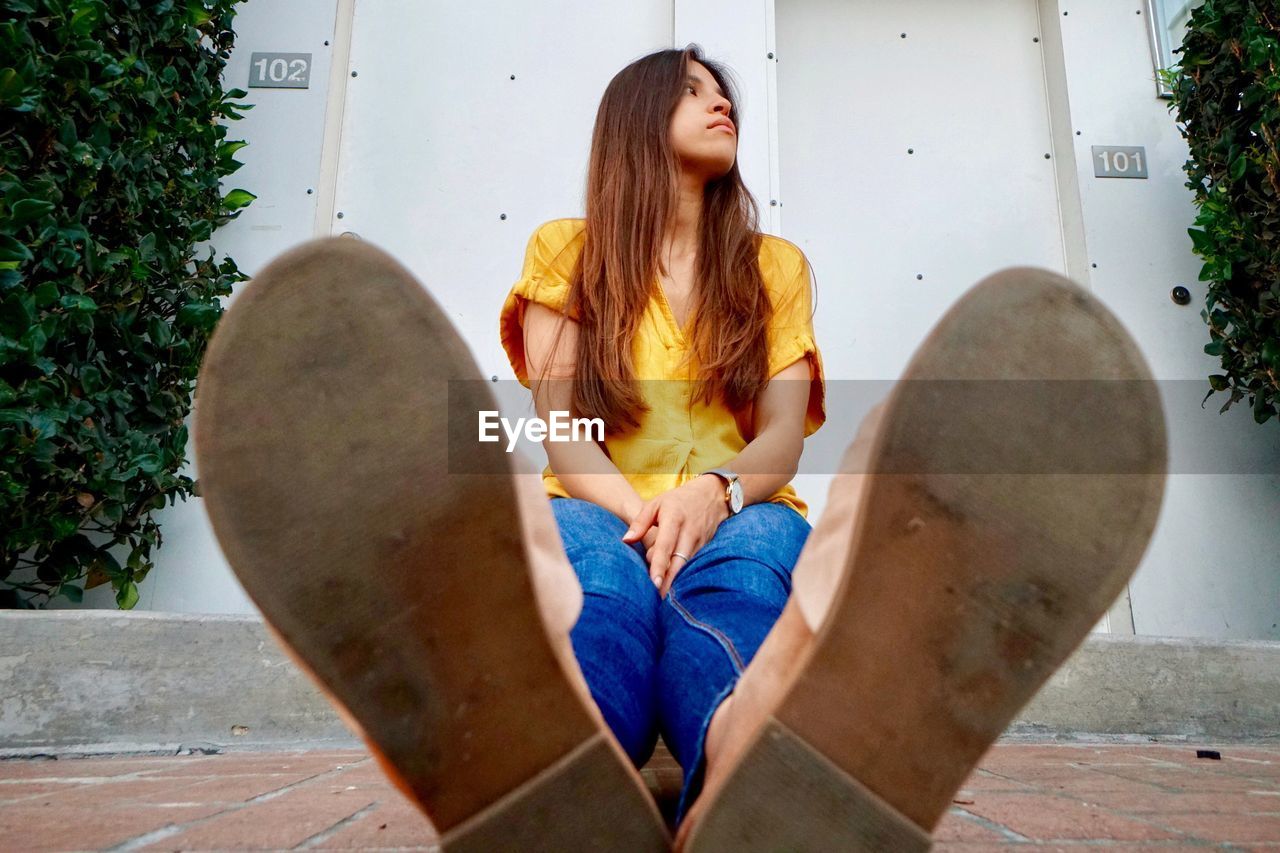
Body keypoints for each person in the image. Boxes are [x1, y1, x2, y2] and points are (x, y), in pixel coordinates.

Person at [194, 43, 1167, 853]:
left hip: (738, 511)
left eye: (724, 94)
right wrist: (639, 511)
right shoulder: (564, 250)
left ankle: (754, 761)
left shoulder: (773, 268)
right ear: (635, 117)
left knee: (742, 582)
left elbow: (780, 436)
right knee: (591, 587)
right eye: (694, 90)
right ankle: (561, 773)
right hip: (598, 507)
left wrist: (709, 494)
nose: (720, 104)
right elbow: (561, 426)